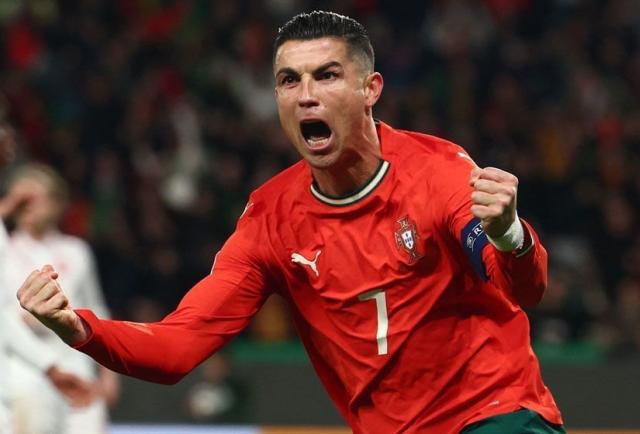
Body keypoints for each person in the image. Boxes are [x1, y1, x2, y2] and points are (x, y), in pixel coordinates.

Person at [17, 11, 565, 434]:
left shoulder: (439, 173)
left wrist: (509, 234)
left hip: (495, 416)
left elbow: (525, 289)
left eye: (327, 76)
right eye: (288, 80)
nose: (306, 96)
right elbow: (177, 347)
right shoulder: (270, 220)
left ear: (370, 89)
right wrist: (79, 329)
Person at [2, 160, 119, 434]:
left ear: (57, 203)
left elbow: (96, 307)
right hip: (25, 369)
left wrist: (110, 372)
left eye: (36, 197)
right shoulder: (5, 249)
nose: (28, 206)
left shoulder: (76, 251)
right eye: (22, 198)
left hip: (77, 361)